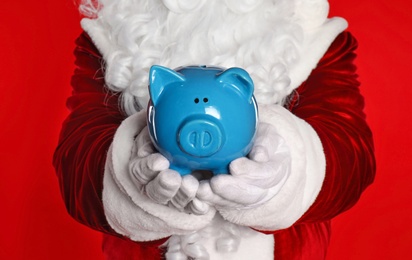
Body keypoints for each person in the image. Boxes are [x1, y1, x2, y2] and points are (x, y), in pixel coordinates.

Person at [53, 0, 376, 259]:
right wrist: (129, 173)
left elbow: (352, 157)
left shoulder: (310, 33)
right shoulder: (113, 29)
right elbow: (75, 165)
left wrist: (282, 175)